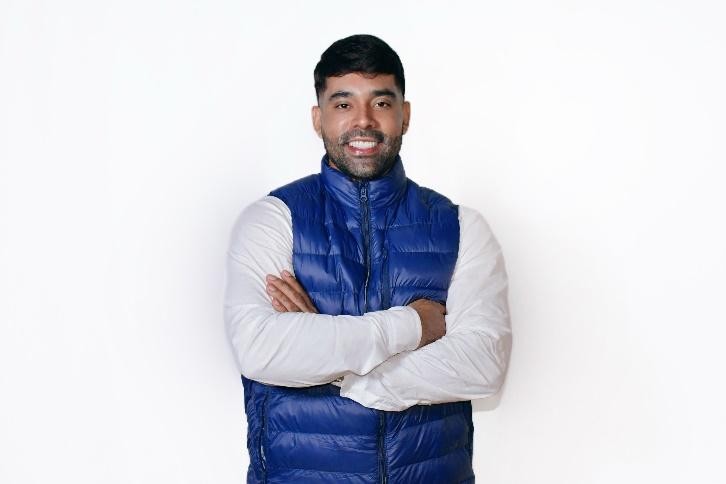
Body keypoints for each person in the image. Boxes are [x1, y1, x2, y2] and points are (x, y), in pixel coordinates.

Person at [225, 34, 512, 484]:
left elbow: (483, 363)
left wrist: (335, 367)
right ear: (318, 118)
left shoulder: (461, 226)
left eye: (381, 103)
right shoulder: (274, 220)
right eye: (343, 104)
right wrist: (414, 326)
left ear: (405, 115)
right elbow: (260, 349)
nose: (363, 121)